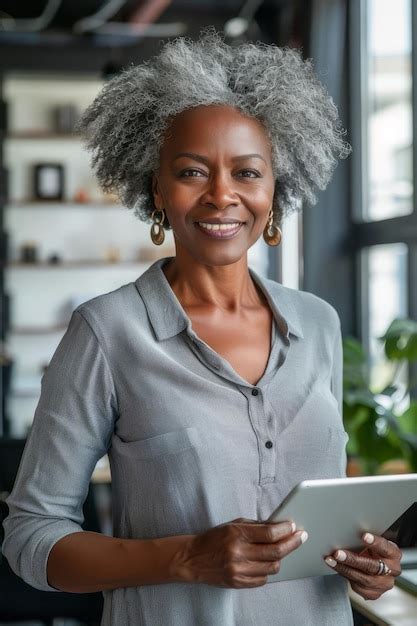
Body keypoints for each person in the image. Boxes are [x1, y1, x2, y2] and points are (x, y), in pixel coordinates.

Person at [3, 27, 402, 626]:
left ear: (275, 189)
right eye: (192, 172)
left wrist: (370, 559)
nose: (222, 195)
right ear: (157, 189)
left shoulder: (318, 323)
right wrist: (187, 557)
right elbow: (31, 539)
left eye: (247, 173)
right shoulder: (106, 333)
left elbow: (324, 516)